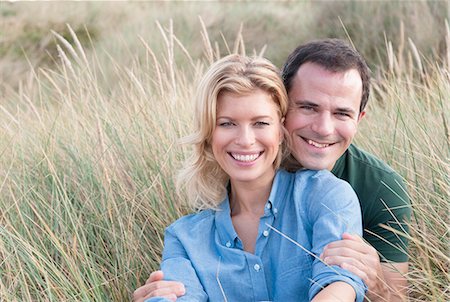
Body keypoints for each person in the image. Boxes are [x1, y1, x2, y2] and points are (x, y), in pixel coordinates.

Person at [134, 39, 411, 301]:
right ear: (286, 115)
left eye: (260, 123)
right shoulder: (186, 237)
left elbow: (345, 285)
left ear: (278, 128)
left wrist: (375, 283)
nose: (324, 128)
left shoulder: (344, 192)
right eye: (227, 123)